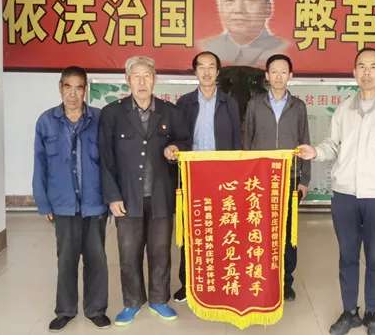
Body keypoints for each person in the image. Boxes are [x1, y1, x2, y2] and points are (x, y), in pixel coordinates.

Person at [298, 48, 375, 335]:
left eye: (373, 67)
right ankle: (349, 312)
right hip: (345, 195)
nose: (367, 72)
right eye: (361, 66)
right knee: (347, 255)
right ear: (354, 72)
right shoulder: (344, 109)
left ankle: (372, 313)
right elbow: (333, 145)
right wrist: (316, 152)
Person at [99, 56, 191, 326]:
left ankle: (159, 300)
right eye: (136, 76)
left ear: (155, 79)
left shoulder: (169, 112)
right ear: (127, 80)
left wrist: (175, 148)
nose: (142, 82)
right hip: (127, 197)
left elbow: (185, 141)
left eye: (147, 76)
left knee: (160, 252)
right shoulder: (112, 113)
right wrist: (112, 196)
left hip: (161, 196)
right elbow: (105, 158)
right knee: (128, 253)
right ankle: (131, 302)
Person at [33, 66, 110, 332]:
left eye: (79, 88)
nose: (73, 94)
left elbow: (110, 162)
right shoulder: (46, 121)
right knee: (66, 259)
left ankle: (96, 309)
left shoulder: (99, 119)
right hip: (62, 203)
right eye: (68, 87)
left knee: (96, 258)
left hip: (95, 202)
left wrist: (112, 197)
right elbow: (40, 164)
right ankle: (65, 310)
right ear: (60, 88)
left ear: (85, 89)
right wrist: (43, 202)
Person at [172, 51, 242, 303]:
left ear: (218, 71)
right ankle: (188, 283)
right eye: (201, 67)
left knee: (222, 228)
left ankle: (221, 279)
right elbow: (178, 138)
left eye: (211, 66)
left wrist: (236, 175)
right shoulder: (185, 103)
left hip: (223, 176)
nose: (207, 71)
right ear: (195, 72)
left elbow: (236, 141)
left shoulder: (229, 103)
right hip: (192, 175)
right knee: (192, 230)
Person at [243, 53, 311, 301]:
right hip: (259, 178)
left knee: (287, 232)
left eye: (283, 72)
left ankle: (285, 281)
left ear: (290, 75)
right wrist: (245, 174)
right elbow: (247, 140)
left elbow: (305, 142)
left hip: (289, 177)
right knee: (259, 229)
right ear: (267, 76)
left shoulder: (298, 106)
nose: (279, 76)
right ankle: (260, 277)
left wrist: (304, 179)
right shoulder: (255, 104)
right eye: (274, 72)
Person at [201, 0, 288, 67]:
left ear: (268, 9)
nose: (238, 10)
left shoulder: (283, 49)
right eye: (230, 0)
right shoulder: (207, 47)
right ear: (220, 8)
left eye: (249, 0)